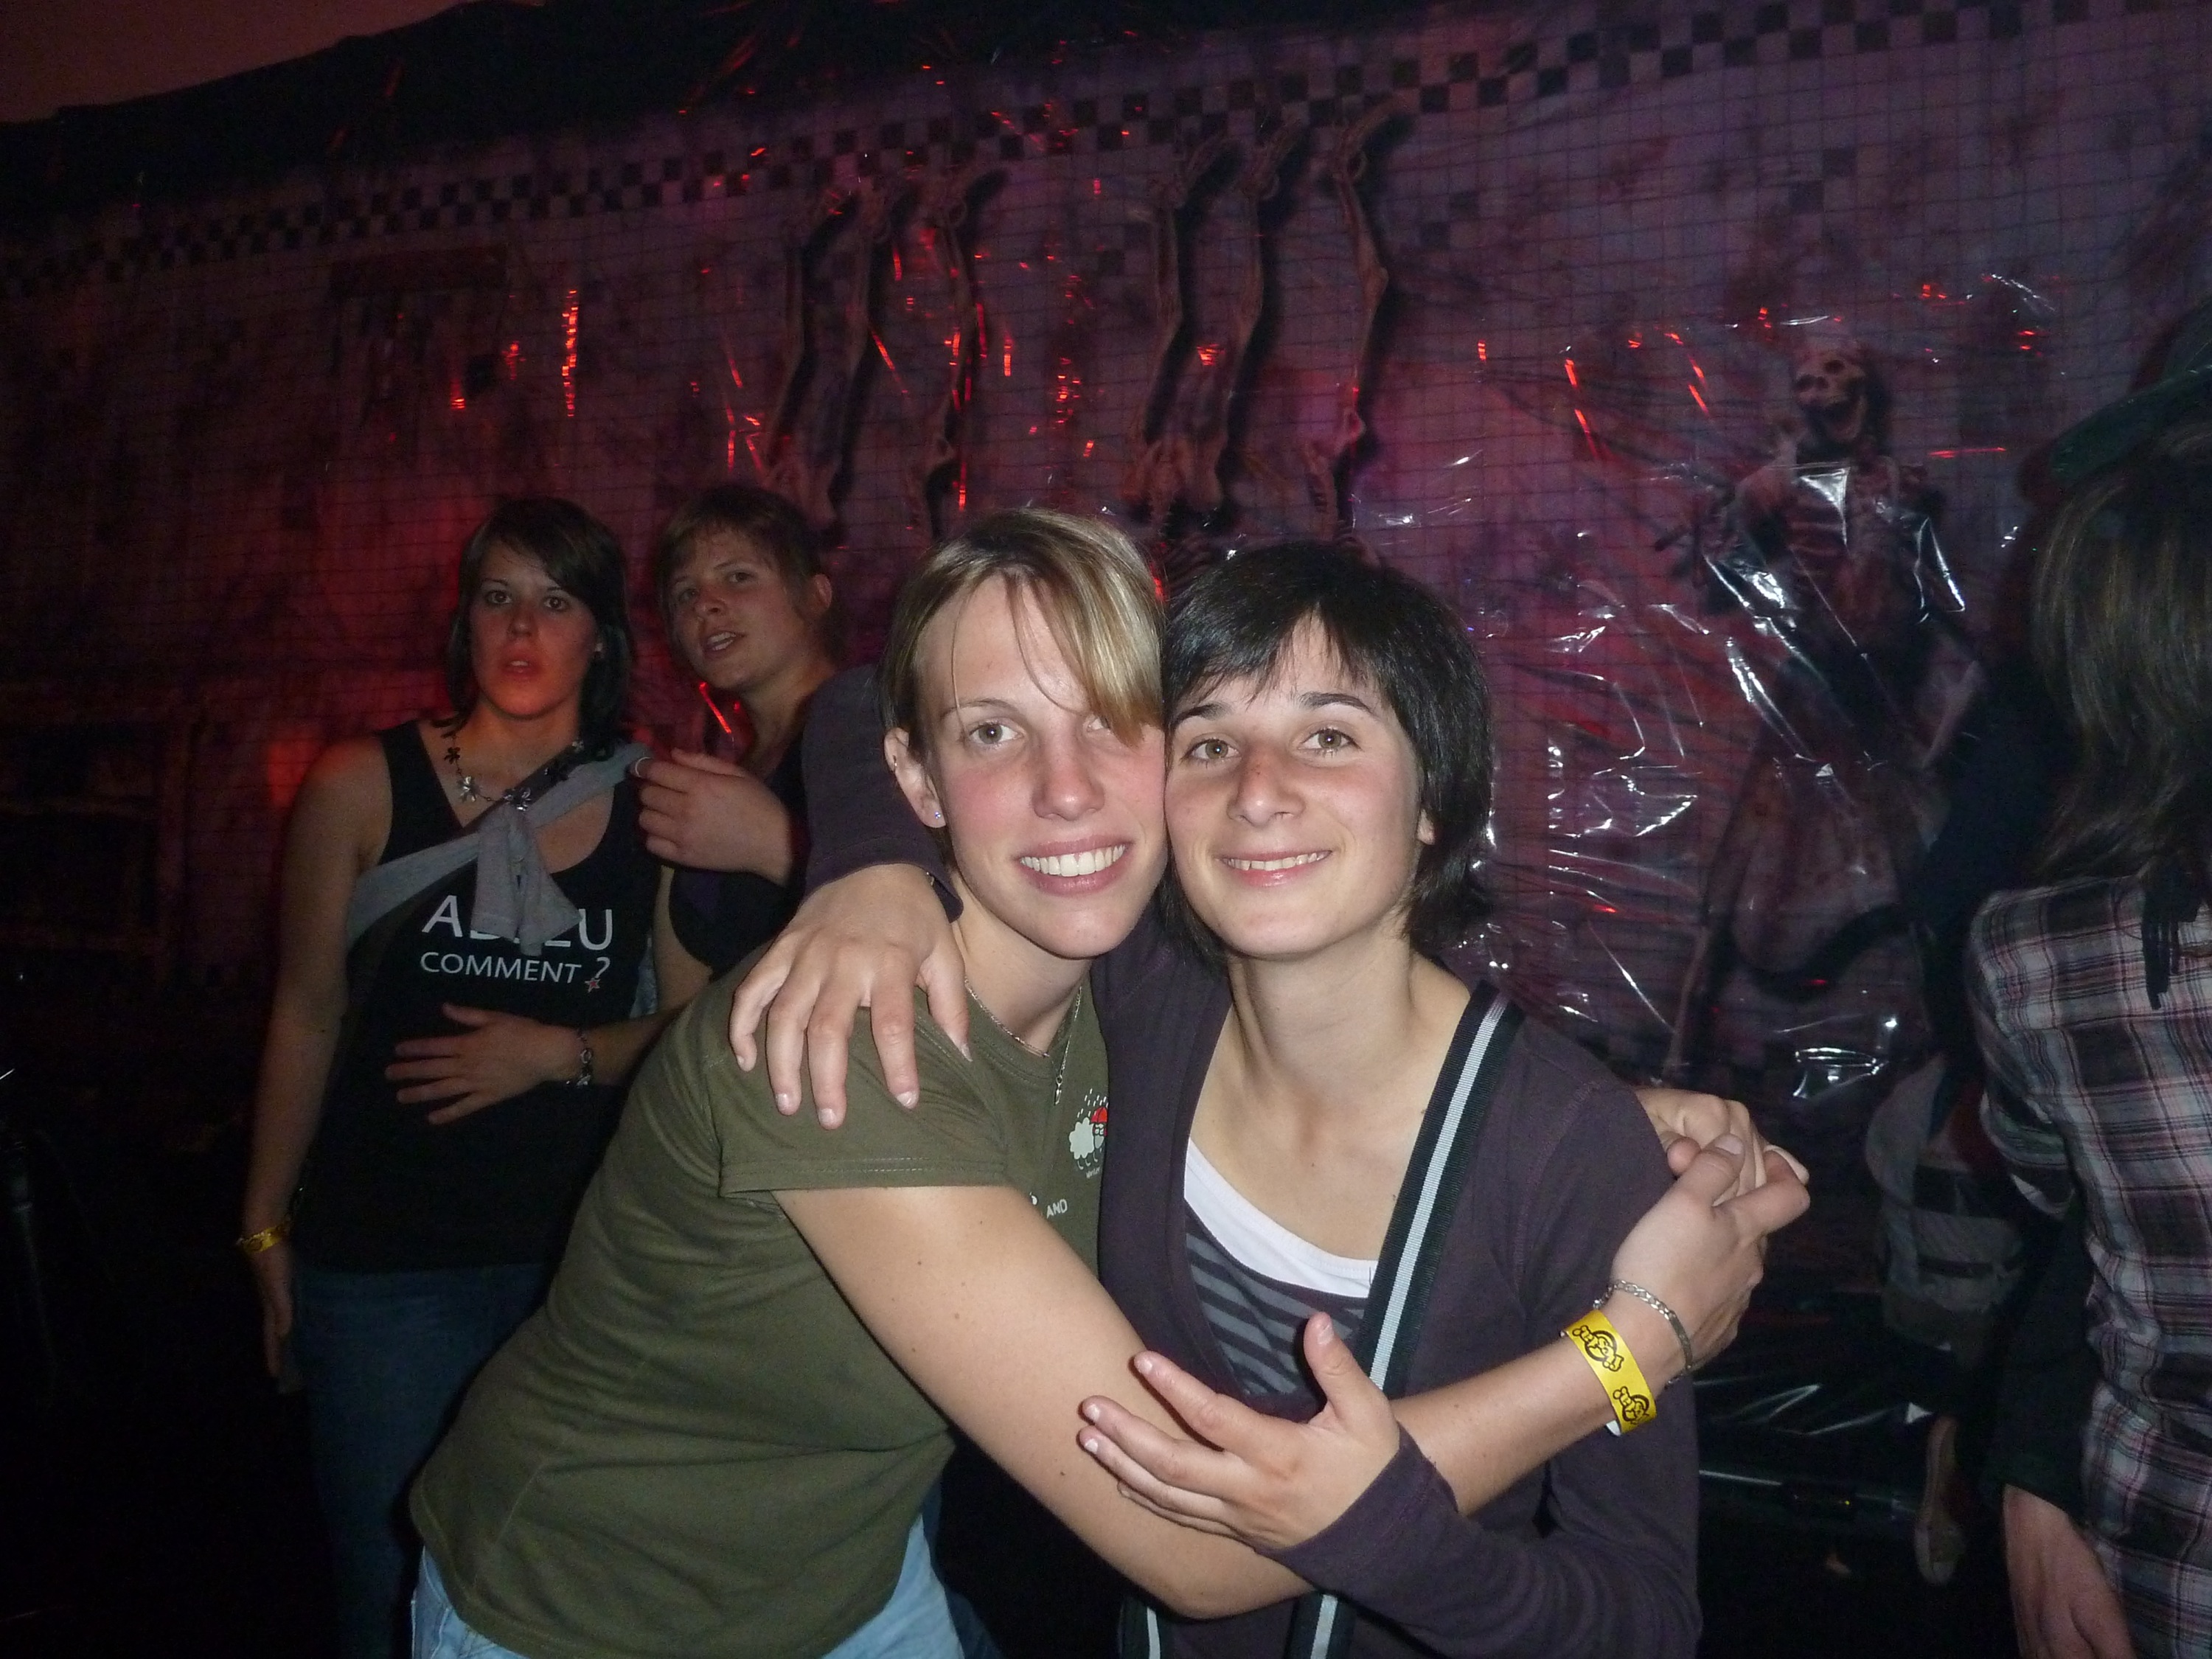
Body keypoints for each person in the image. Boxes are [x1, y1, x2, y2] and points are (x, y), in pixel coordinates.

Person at [409, 511, 1801, 1659]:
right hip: (590, 1610)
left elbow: (1638, 1606)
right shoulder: (866, 1035)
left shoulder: (1134, 996)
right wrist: (1632, 1348)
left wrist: (1593, 1126)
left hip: (848, 1579)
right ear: (922, 777)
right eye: (995, 735)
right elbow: (1197, 1551)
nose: (1072, 790)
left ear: (1436, 794)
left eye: (1114, 725)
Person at [238, 498, 712, 1659]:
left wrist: (558, 1052)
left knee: (568, 1584)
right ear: (466, 619)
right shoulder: (360, 782)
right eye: (499, 596)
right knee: (389, 1573)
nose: (523, 626)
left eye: (556, 600)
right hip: (384, 1258)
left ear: (601, 635)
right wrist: (263, 1226)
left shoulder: (657, 801)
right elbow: (305, 1011)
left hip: (583, 1264)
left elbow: (696, 1028)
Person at [1969, 416, 2212, 1658]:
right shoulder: (2040, 946)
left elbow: (2070, 1202)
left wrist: (2027, 1456)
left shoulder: (2034, 953)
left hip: (2155, 1543)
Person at [636, 484, 840, 977]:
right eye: (685, 594)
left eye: (738, 577)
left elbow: (942, 914)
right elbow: (686, 1008)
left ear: (816, 596)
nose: (705, 605)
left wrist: (774, 845)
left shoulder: (884, 733)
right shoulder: (710, 791)